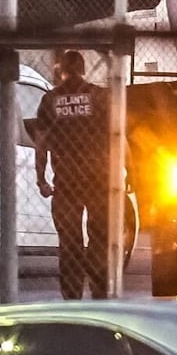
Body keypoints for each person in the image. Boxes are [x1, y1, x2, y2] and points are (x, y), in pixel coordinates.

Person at [35, 50, 112, 300]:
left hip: (66, 182)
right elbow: (117, 137)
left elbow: (42, 142)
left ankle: (72, 296)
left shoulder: (51, 100)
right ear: (83, 69)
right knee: (99, 239)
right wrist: (123, 173)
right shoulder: (100, 97)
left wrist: (41, 178)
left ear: (61, 71)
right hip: (98, 179)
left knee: (69, 243)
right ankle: (100, 292)